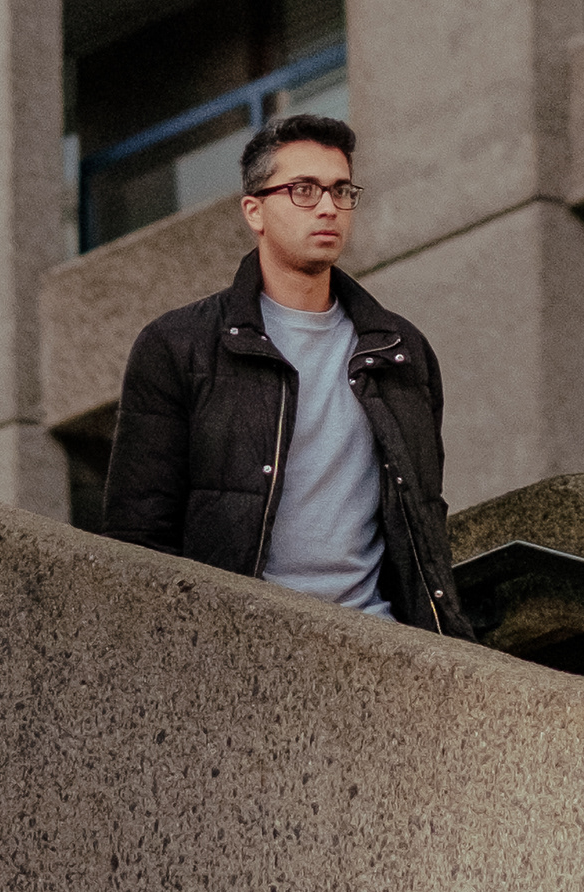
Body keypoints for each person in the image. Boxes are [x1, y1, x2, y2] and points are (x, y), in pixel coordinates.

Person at [101, 113, 470, 634]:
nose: (327, 207)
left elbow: (421, 516)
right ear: (254, 210)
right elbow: (138, 537)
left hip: (384, 644)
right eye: (303, 189)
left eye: (342, 190)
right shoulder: (178, 346)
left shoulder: (399, 350)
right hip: (245, 649)